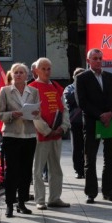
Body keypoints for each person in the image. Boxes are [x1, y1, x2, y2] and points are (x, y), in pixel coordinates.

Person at [76, 48, 112, 204]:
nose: (98, 61)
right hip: (92, 122)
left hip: (110, 121)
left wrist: (111, 113)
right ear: (88, 60)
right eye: (95, 58)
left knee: (110, 158)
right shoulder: (82, 78)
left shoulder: (110, 77)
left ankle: (108, 191)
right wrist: (100, 115)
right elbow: (82, 102)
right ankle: (91, 193)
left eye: (100, 58)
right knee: (90, 159)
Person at [0, 63, 40, 217]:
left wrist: (34, 113)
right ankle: (9, 204)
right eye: (16, 72)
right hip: (11, 135)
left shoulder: (33, 91)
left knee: (26, 171)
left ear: (27, 75)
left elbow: (38, 112)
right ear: (12, 75)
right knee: (12, 171)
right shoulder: (6, 91)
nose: (19, 75)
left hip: (29, 135)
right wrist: (11, 115)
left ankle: (22, 203)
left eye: (22, 72)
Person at [29, 57, 71, 209]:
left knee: (56, 168)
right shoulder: (32, 88)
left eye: (49, 69)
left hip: (57, 134)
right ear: (36, 71)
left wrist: (63, 127)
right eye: (43, 69)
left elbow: (64, 109)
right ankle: (40, 200)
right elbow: (33, 114)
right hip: (41, 136)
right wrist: (46, 130)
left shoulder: (56, 87)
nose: (47, 72)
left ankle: (54, 198)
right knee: (38, 169)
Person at [64, 67, 86, 179]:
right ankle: (78, 170)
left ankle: (87, 169)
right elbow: (69, 100)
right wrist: (79, 87)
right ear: (74, 77)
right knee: (77, 147)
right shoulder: (69, 88)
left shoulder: (89, 87)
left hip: (88, 121)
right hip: (76, 121)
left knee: (88, 148)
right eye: (78, 76)